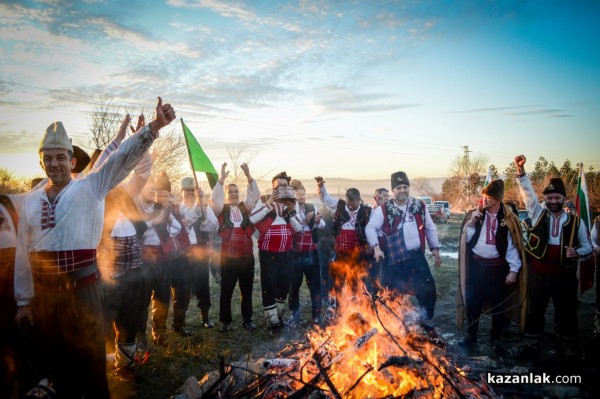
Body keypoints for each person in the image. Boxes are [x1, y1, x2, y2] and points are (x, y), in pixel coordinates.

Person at [13, 97, 176, 398]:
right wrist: (24, 302)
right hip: (44, 298)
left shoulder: (90, 187)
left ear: (72, 161)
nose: (54, 163)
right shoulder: (30, 201)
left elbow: (121, 159)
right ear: (41, 162)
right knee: (48, 365)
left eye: (60, 157)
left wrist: (154, 128)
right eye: (47, 158)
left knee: (87, 367)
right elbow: (23, 253)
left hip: (83, 293)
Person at [514, 155, 593, 357]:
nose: (553, 201)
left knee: (566, 312)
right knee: (535, 310)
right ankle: (532, 345)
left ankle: (566, 346)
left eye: (557, 198)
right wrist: (521, 173)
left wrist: (577, 252)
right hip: (538, 274)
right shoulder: (538, 213)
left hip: (565, 277)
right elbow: (528, 195)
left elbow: (588, 248)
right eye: (549, 198)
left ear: (563, 198)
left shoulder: (577, 223)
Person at [456, 179, 527, 353]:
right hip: (477, 267)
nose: (485, 200)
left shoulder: (508, 219)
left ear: (498, 199)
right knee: (473, 302)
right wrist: (472, 222)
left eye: (489, 197)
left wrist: (513, 270)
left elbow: (513, 247)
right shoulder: (476, 214)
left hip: (497, 270)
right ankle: (471, 336)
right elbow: (468, 240)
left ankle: (495, 338)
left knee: (498, 306)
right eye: (484, 196)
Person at [366, 171, 441, 326]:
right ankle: (393, 326)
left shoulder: (419, 205)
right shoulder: (384, 209)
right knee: (391, 294)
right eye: (399, 187)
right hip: (393, 260)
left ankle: (426, 323)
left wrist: (435, 248)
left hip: (416, 258)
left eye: (405, 187)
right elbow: (370, 228)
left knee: (428, 290)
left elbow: (429, 227)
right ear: (393, 190)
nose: (403, 190)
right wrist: (376, 248)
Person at [250, 172, 302, 336]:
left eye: (284, 185)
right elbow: (253, 218)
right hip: (267, 252)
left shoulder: (293, 202)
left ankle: (278, 317)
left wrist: (292, 211)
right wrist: (270, 202)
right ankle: (272, 323)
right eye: (278, 185)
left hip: (287, 252)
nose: (281, 187)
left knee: (284, 285)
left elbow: (298, 228)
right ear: (273, 187)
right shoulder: (265, 199)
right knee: (269, 287)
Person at [210, 162, 260, 332]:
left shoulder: (245, 207)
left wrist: (248, 175)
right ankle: (225, 321)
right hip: (229, 258)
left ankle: (247, 320)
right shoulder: (220, 209)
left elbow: (255, 195)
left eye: (236, 192)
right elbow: (213, 198)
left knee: (246, 291)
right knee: (227, 290)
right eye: (230, 192)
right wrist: (221, 179)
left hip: (247, 257)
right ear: (225, 195)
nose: (233, 194)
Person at [316, 177, 373, 296]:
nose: (351, 207)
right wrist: (321, 186)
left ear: (359, 200)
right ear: (346, 200)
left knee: (356, 281)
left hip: (358, 253)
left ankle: (355, 305)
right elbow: (325, 198)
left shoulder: (367, 211)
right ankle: (336, 305)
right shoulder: (340, 205)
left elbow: (372, 230)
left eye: (354, 205)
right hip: (340, 252)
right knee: (337, 280)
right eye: (349, 204)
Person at [178, 177, 218, 328]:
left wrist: (203, 222)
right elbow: (182, 225)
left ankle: (205, 317)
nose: (189, 193)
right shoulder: (177, 209)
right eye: (186, 190)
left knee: (203, 284)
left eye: (192, 190)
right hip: (183, 253)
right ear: (181, 192)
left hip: (200, 251)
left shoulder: (204, 208)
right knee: (183, 286)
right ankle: (180, 320)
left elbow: (214, 226)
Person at [288, 179, 325, 325]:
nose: (302, 196)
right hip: (295, 253)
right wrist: (305, 220)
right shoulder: (290, 209)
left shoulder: (311, 206)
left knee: (315, 284)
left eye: (303, 194)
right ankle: (294, 314)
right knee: (294, 285)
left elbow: (322, 225)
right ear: (294, 195)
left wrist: (317, 221)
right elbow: (294, 228)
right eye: (299, 194)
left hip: (311, 252)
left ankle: (316, 314)